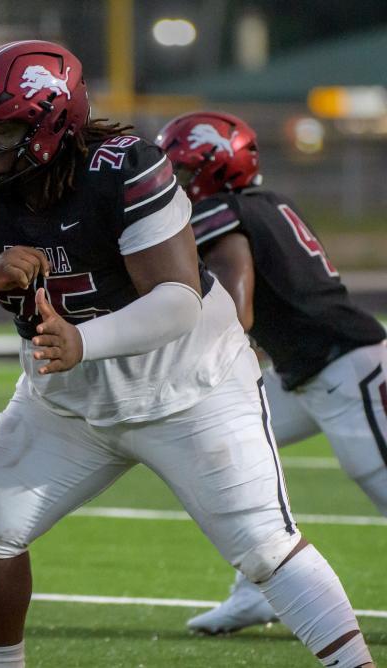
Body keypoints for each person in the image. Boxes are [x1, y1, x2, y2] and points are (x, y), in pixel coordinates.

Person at [0, 41, 373, 667]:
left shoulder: (122, 169)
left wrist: (82, 340)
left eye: (5, 127)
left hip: (189, 388)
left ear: (53, 125)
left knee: (265, 547)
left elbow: (178, 299)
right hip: (67, 403)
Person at [157, 110, 387, 635]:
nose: (176, 185)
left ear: (217, 167)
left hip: (347, 366)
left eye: (184, 173)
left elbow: (238, 301)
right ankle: (257, 592)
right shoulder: (265, 201)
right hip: (303, 369)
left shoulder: (221, 211)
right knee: (229, 455)